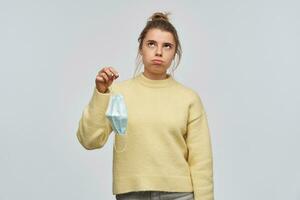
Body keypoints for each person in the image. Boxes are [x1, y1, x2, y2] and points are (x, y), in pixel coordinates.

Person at [76, 11, 214, 200]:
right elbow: (89, 140)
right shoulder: (117, 93)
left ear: (175, 53)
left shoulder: (188, 98)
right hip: (131, 194)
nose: (159, 52)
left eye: (167, 46)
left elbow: (201, 162)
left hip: (179, 194)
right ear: (141, 48)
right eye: (151, 44)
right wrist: (100, 93)